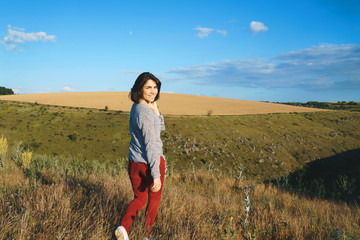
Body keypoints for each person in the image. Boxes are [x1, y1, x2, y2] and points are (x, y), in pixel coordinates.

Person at [115, 72, 166, 240]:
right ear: (140, 89)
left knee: (139, 198)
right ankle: (147, 235)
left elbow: (159, 128)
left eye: (155, 87)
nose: (153, 91)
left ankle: (124, 228)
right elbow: (151, 144)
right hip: (150, 162)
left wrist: (156, 110)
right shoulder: (145, 112)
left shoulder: (136, 107)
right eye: (148, 87)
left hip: (134, 162)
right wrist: (156, 175)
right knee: (154, 199)